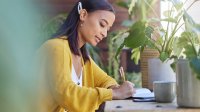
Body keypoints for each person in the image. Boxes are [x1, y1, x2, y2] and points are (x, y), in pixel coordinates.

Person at [37, 0, 135, 112]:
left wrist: (115, 88)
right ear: (83, 15)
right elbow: (66, 93)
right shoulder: (56, 47)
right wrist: (114, 93)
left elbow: (105, 80)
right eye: (102, 24)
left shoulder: (82, 57)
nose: (105, 33)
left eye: (107, 29)